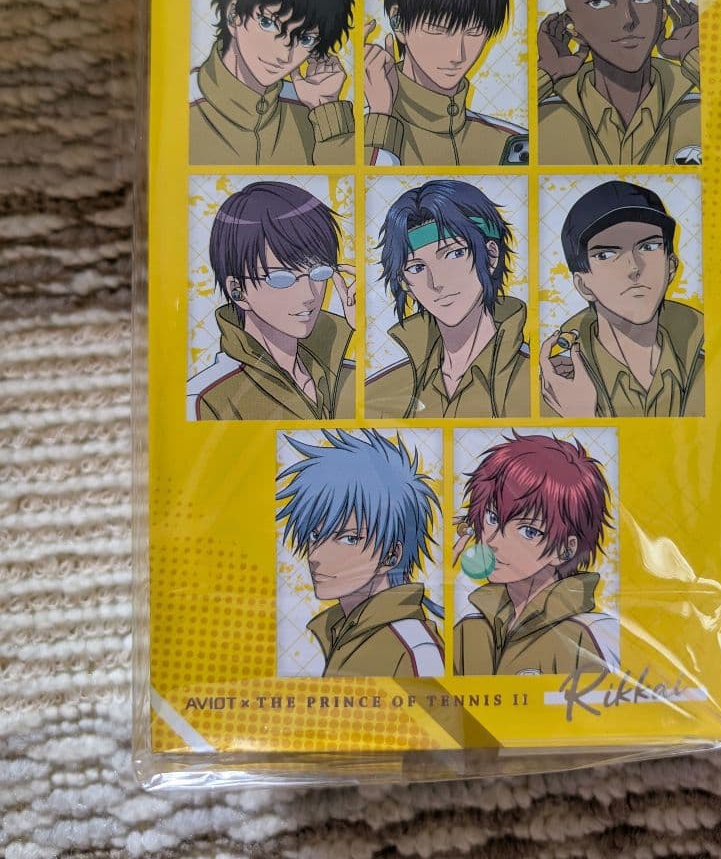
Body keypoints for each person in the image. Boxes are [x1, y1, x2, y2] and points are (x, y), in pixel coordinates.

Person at [276, 429, 444, 677]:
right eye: (314, 535)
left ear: (391, 555)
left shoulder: (415, 649)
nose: (315, 557)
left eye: (349, 538)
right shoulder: (337, 632)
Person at [186, 181, 356, 420]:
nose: (309, 295)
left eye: (319, 273)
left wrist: (366, 327)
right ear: (237, 290)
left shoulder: (347, 376)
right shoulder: (206, 399)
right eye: (282, 278)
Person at [190, 0, 355, 165]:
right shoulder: (183, 104)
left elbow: (352, 184)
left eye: (305, 39)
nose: (284, 55)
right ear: (233, 15)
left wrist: (326, 109)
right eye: (268, 23)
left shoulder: (309, 109)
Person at [540, 179, 704, 418]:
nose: (633, 267)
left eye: (648, 247)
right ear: (583, 284)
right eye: (606, 254)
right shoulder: (558, 383)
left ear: (671, 266)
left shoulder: (711, 360)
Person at [366, 179, 529, 419]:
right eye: (416, 267)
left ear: (491, 256)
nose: (437, 282)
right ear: (405, 283)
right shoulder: (379, 393)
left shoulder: (541, 381)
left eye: (454, 254)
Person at [454, 433, 613, 676]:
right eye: (492, 518)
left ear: (565, 549)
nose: (494, 542)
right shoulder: (469, 631)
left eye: (528, 531)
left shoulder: (582, 636)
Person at [364, 0, 528, 166]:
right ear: (398, 22)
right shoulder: (357, 136)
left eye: (474, 31)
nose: (457, 54)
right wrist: (380, 116)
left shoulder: (510, 143)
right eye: (438, 29)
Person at [538, 0, 701, 166]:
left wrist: (696, 58)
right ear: (571, 26)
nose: (628, 20)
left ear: (662, 13)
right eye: (599, 3)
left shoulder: (698, 102)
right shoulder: (544, 113)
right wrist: (547, 73)